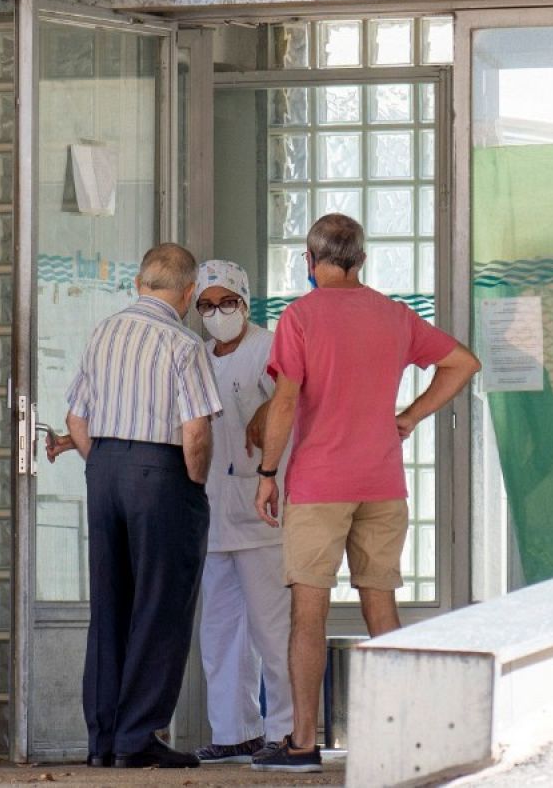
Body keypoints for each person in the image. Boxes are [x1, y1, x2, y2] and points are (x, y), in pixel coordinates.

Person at [249, 214, 482, 773]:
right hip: (382, 481)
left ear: (309, 260)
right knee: (381, 607)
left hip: (320, 483)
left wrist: (268, 472)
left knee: (309, 614)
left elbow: (285, 402)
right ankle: (406, 743)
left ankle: (302, 744)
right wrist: (410, 417)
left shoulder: (300, 317)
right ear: (362, 260)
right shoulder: (395, 315)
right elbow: (463, 363)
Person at [48, 243, 223, 769]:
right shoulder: (183, 343)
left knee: (110, 606)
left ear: (139, 284)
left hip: (104, 468)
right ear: (189, 293)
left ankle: (102, 740)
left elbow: (76, 418)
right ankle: (138, 736)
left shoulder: (104, 332)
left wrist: (106, 464)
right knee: (160, 605)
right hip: (162, 473)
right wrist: (193, 485)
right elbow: (196, 431)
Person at [187, 260, 293, 765]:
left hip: (262, 512)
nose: (217, 313)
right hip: (212, 513)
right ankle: (235, 732)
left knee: (273, 630)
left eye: (227, 302)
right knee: (220, 631)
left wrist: (267, 410)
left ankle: (288, 730)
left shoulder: (270, 348)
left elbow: (297, 399)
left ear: (245, 302)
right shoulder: (196, 356)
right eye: (206, 306)